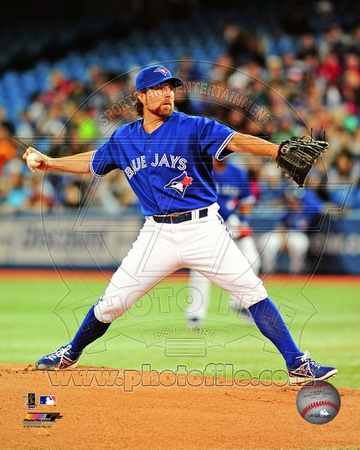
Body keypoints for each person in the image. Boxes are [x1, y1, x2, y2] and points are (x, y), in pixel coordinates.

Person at [23, 65, 337, 385]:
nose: (166, 93)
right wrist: (51, 163)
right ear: (141, 96)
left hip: (204, 229)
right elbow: (93, 162)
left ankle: (297, 363)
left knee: (251, 291)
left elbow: (237, 140)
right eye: (157, 88)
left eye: (169, 87)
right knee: (113, 303)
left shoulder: (193, 126)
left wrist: (276, 150)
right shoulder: (124, 138)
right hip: (156, 234)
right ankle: (70, 352)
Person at [186, 157, 260, 327]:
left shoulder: (237, 173)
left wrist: (244, 222)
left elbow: (246, 200)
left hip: (232, 223)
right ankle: (195, 314)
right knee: (201, 268)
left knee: (252, 258)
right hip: (206, 223)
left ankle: (238, 302)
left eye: (226, 151)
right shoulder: (201, 170)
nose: (223, 155)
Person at [257, 188, 324, 274]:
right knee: (265, 241)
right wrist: (283, 240)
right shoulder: (287, 211)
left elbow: (321, 208)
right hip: (283, 234)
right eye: (291, 199)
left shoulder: (308, 211)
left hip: (298, 234)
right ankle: (268, 272)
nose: (293, 202)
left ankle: (295, 273)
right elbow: (280, 226)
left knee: (299, 244)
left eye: (295, 199)